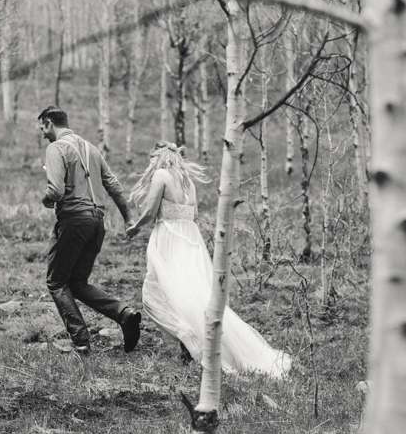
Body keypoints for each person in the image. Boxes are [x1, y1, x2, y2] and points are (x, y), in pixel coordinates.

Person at [125, 142, 292, 378]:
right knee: (190, 291)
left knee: (154, 292)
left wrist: (135, 227)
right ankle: (192, 342)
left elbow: (151, 212)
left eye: (152, 158)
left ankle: (189, 338)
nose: (151, 164)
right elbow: (192, 215)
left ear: (159, 158)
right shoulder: (188, 183)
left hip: (168, 237)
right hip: (190, 239)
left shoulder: (161, 175)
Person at [38, 105, 142, 355]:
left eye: (43, 127)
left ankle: (81, 341)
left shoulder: (56, 148)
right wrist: (128, 219)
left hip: (73, 221)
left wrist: (46, 199)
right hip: (97, 223)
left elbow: (56, 191)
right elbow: (114, 185)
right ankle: (124, 314)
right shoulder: (91, 149)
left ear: (51, 123)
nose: (43, 133)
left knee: (56, 282)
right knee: (77, 282)